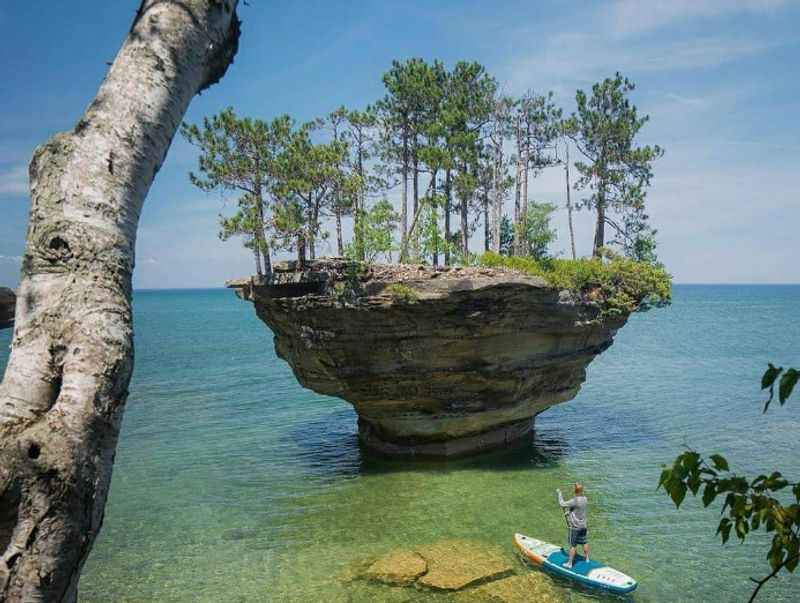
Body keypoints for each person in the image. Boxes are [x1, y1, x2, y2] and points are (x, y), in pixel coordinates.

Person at [556, 483, 589, 569]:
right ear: (582, 490)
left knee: (572, 545)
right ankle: (587, 558)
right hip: (583, 526)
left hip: (575, 527)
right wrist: (570, 511)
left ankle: (569, 563)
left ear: (575, 491)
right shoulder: (585, 499)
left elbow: (562, 504)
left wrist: (559, 494)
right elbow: (578, 509)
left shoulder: (574, 500)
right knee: (584, 542)